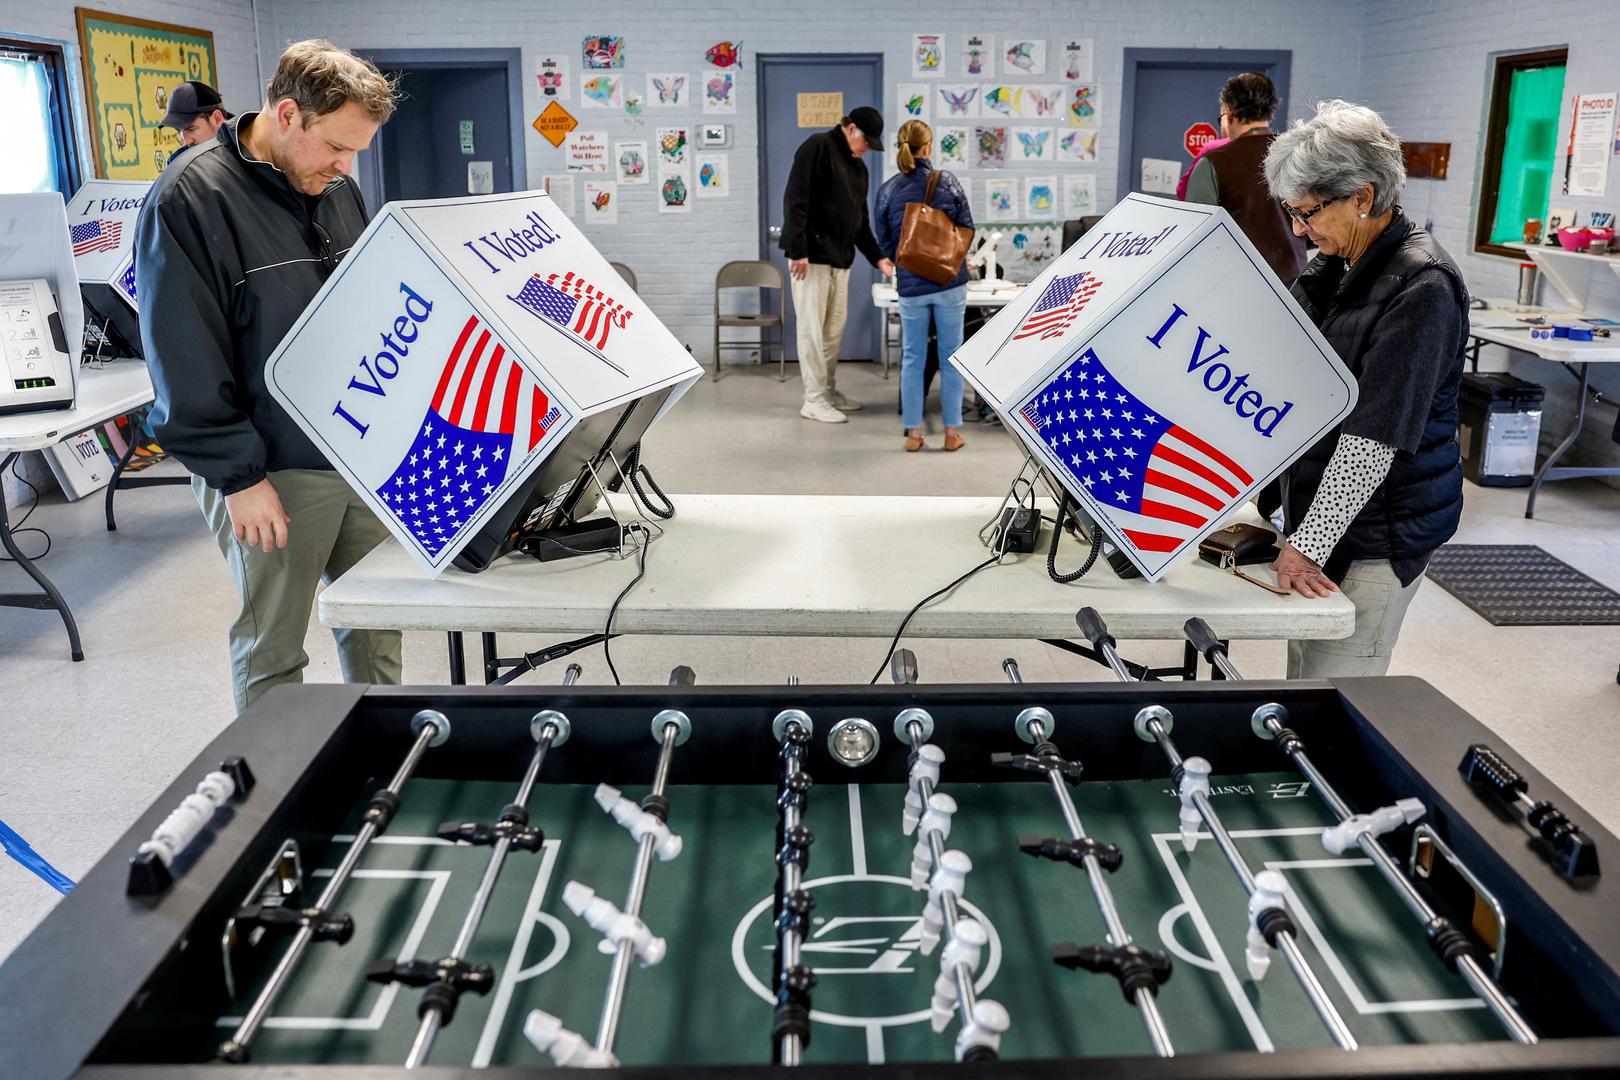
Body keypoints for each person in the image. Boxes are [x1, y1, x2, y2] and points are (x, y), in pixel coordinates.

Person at [136, 40, 402, 712]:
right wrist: (240, 476)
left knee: (376, 627)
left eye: (356, 155)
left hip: (356, 449)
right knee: (274, 646)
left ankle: (383, 760)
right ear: (288, 114)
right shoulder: (187, 201)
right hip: (271, 466)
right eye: (337, 148)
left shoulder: (335, 185)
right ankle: (276, 789)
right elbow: (182, 354)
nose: (346, 168)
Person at [1262, 100, 1468, 678]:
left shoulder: (1423, 287)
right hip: (1323, 518)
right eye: (1293, 213)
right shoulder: (1333, 266)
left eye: (1309, 213)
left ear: (1363, 196)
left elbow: (1374, 436)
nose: (1301, 230)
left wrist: (1309, 542)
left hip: (1379, 531)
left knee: (1338, 695)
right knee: (1305, 675)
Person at [780, 106, 896, 423]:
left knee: (832, 335)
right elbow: (795, 200)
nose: (867, 149)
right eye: (866, 141)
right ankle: (813, 400)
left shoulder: (858, 169)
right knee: (812, 334)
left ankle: (828, 392)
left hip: (840, 261)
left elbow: (860, 224)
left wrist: (878, 259)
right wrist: (798, 249)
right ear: (851, 128)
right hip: (810, 261)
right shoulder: (818, 147)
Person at [873, 119, 974, 452]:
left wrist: (910, 263)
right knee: (951, 357)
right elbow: (967, 228)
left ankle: (914, 434)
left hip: (912, 289)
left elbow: (886, 244)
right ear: (928, 147)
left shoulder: (887, 190)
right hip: (949, 284)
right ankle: (950, 434)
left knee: (913, 358)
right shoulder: (948, 183)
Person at [1185, 72, 1307, 285]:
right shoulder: (1299, 155)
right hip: (1297, 284)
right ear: (1270, 114)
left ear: (1228, 112)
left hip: (1238, 285)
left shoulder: (1214, 163)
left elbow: (1196, 237)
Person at [161, 80, 233, 149]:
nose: (186, 142)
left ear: (217, 119)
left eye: (191, 129)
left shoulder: (243, 149)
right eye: (179, 131)